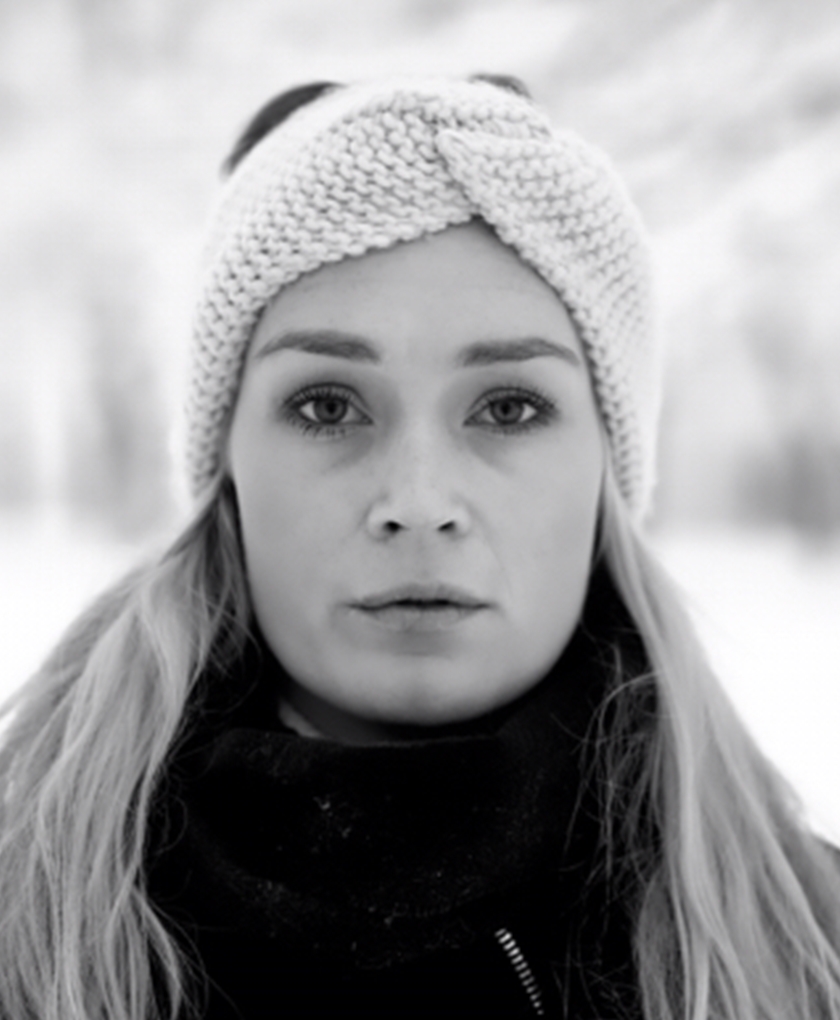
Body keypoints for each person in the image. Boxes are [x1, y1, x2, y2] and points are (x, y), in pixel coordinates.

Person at [0, 73, 838, 1020]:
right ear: (228, 463)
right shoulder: (25, 926)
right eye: (327, 406)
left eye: (509, 408)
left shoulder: (813, 952)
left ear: (607, 467)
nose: (418, 503)